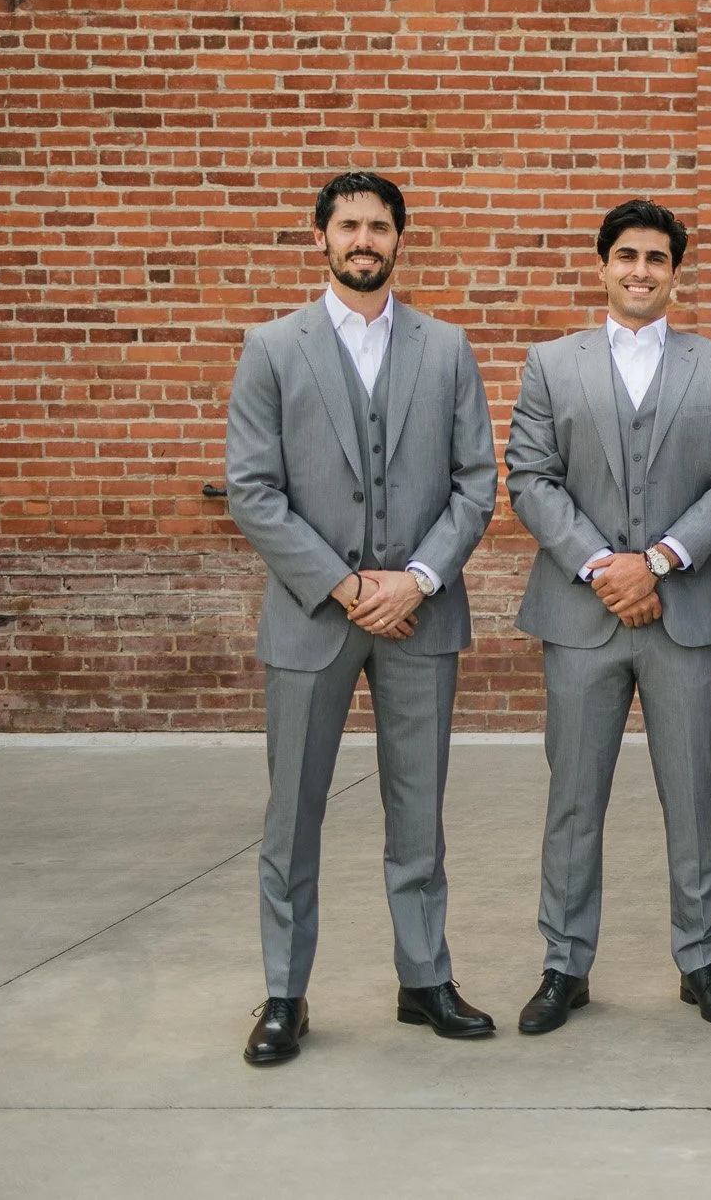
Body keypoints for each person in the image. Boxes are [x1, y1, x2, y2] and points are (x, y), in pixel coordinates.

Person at [225, 171, 499, 1064]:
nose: (364, 240)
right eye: (348, 225)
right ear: (321, 238)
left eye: (379, 226)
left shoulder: (447, 347)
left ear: (400, 240)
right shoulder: (272, 347)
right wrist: (349, 587)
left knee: (418, 808)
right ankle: (283, 992)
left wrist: (414, 580)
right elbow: (254, 491)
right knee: (293, 812)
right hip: (314, 615)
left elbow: (474, 483)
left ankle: (424, 979)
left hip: (421, 615)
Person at [502, 199, 711, 1034]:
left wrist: (654, 561)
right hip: (581, 614)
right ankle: (564, 963)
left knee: (692, 795)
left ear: (675, 271)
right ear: (602, 264)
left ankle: (701, 959)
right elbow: (531, 476)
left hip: (686, 612)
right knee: (574, 798)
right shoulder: (551, 363)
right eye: (626, 255)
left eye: (656, 257)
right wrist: (601, 566)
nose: (640, 270)